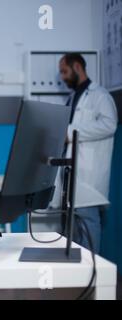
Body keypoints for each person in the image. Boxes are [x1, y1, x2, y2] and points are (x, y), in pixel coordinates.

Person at [51, 53, 118, 253]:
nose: (62, 77)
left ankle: (91, 274)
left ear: (77, 67)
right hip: (71, 170)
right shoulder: (73, 98)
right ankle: (79, 277)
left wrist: (70, 132)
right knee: (75, 227)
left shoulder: (100, 95)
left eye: (64, 71)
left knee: (88, 221)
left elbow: (109, 125)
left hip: (88, 174)